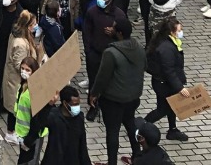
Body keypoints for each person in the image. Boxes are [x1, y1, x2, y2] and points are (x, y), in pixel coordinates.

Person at [89, 17, 146, 165]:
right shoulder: (138, 47)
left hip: (114, 100)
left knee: (113, 132)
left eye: (113, 28)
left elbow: (102, 77)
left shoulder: (111, 53)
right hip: (133, 97)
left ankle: (112, 162)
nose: (110, 29)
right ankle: (137, 156)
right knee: (130, 124)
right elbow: (144, 66)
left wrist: (94, 94)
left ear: (119, 33)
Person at [143, 15, 189, 142]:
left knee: (171, 106)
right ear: (171, 32)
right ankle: (142, 125)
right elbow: (169, 71)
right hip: (164, 84)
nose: (181, 32)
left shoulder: (169, 42)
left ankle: (172, 129)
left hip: (164, 82)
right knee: (162, 109)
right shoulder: (167, 49)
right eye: (179, 30)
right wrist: (180, 88)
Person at [1, 10, 45, 142]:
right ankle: (10, 132)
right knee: (14, 107)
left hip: (14, 80)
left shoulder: (20, 36)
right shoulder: (20, 43)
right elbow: (19, 64)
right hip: (16, 81)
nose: (35, 26)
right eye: (33, 24)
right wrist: (31, 69)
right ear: (28, 26)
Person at [40, 85, 92, 165]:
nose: (77, 107)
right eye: (74, 104)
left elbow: (82, 143)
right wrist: (48, 106)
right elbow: (40, 122)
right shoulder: (53, 116)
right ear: (65, 103)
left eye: (78, 104)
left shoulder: (79, 117)